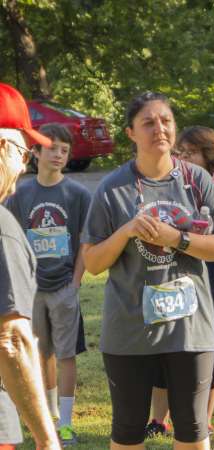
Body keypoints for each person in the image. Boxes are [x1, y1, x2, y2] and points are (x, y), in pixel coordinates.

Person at [81, 92, 214, 450]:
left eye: (165, 120)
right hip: (129, 330)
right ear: (131, 133)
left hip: (190, 329)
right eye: (148, 123)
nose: (159, 129)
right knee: (128, 431)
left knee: (193, 430)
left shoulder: (197, 181)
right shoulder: (111, 189)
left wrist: (176, 238)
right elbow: (92, 263)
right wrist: (127, 231)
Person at [147, 126, 214, 436]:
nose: (182, 158)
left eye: (190, 153)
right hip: (172, 279)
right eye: (180, 153)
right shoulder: (169, 189)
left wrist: (179, 237)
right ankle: (158, 420)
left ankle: (204, 418)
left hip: (213, 283)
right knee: (165, 347)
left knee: (205, 351)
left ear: (209, 157)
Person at [6, 123, 91, 446]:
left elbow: (86, 240)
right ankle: (49, 413)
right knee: (40, 353)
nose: (58, 155)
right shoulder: (21, 193)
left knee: (66, 353)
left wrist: (76, 281)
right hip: (31, 289)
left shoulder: (78, 194)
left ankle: (66, 424)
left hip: (64, 286)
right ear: (36, 152)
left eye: (65, 151)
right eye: (52, 148)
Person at [0, 82, 61, 449]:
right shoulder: (2, 228)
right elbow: (12, 339)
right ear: (3, 147)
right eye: (25, 152)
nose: (25, 165)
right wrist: (46, 438)